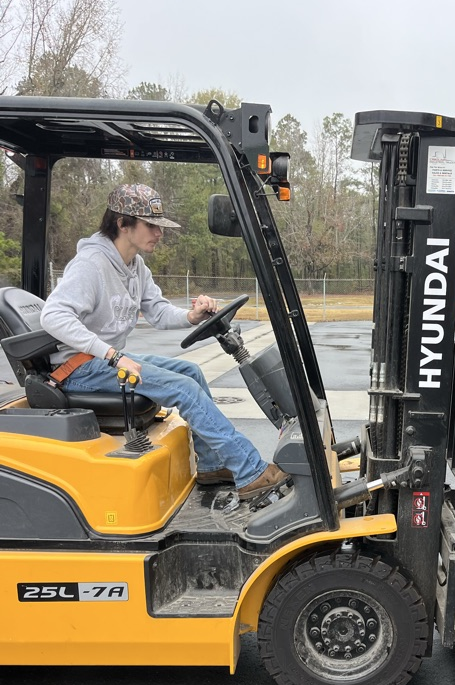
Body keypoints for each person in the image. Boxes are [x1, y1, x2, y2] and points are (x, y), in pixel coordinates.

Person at [40, 184, 287, 501]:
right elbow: (54, 315)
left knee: (191, 372)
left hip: (104, 362)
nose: (159, 233)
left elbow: (156, 311)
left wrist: (193, 316)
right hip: (80, 370)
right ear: (123, 223)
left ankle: (211, 465)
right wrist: (113, 356)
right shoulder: (92, 265)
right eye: (151, 226)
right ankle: (252, 472)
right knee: (184, 389)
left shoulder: (135, 266)